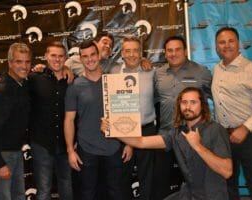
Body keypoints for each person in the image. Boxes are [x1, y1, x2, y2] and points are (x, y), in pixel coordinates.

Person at [101, 87, 232, 200]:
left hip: (212, 196)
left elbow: (227, 171)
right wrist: (112, 130)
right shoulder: (176, 133)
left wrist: (198, 146)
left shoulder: (215, 129)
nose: (187, 106)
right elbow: (141, 142)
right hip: (189, 194)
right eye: (184, 102)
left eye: (193, 102)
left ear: (202, 106)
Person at [212, 27, 252, 200]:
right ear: (216, 47)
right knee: (228, 185)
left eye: (231, 41)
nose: (226, 46)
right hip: (224, 137)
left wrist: (245, 128)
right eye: (222, 42)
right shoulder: (217, 69)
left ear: (238, 44)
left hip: (249, 136)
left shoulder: (251, 69)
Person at [64, 40, 126, 200]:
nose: (89, 59)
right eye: (85, 56)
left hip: (114, 146)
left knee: (116, 192)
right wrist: (70, 150)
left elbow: (126, 113)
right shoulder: (75, 86)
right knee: (88, 193)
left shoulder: (113, 81)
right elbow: (69, 120)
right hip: (87, 149)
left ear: (99, 56)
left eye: (92, 54)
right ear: (81, 59)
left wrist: (130, 143)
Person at [153, 35, 212, 199]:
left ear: (185, 51)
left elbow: (217, 99)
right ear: (165, 54)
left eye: (177, 49)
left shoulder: (201, 72)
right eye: (169, 51)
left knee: (195, 182)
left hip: (192, 136)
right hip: (164, 136)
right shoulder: (158, 74)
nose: (173, 54)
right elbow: (150, 100)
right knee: (161, 181)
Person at [111, 35, 156, 200]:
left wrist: (145, 60)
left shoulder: (150, 71)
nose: (131, 55)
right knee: (122, 176)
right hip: (122, 131)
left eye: (136, 51)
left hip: (147, 129)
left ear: (141, 53)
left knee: (147, 177)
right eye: (127, 51)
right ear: (122, 53)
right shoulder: (113, 71)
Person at [0, 42, 32, 200]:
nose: (24, 66)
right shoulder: (1, 91)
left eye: (27, 62)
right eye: (19, 61)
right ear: (10, 63)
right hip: (2, 155)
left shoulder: (21, 84)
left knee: (18, 196)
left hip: (15, 152)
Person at [28, 41, 72, 200]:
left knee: (67, 186)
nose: (57, 59)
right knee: (44, 189)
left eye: (61, 56)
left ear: (65, 58)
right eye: (53, 55)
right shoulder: (34, 78)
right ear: (46, 56)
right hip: (42, 143)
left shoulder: (72, 81)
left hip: (66, 144)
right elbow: (15, 85)